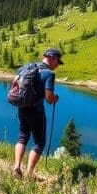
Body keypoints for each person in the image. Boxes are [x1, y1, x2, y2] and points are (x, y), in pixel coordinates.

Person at [12, 47, 62, 179]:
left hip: (22, 108)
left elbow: (14, 85)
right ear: (52, 58)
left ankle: (17, 166)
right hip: (36, 111)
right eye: (58, 61)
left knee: (22, 136)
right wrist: (55, 98)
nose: (57, 65)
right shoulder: (49, 74)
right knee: (40, 142)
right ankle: (29, 173)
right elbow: (49, 98)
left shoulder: (25, 68)